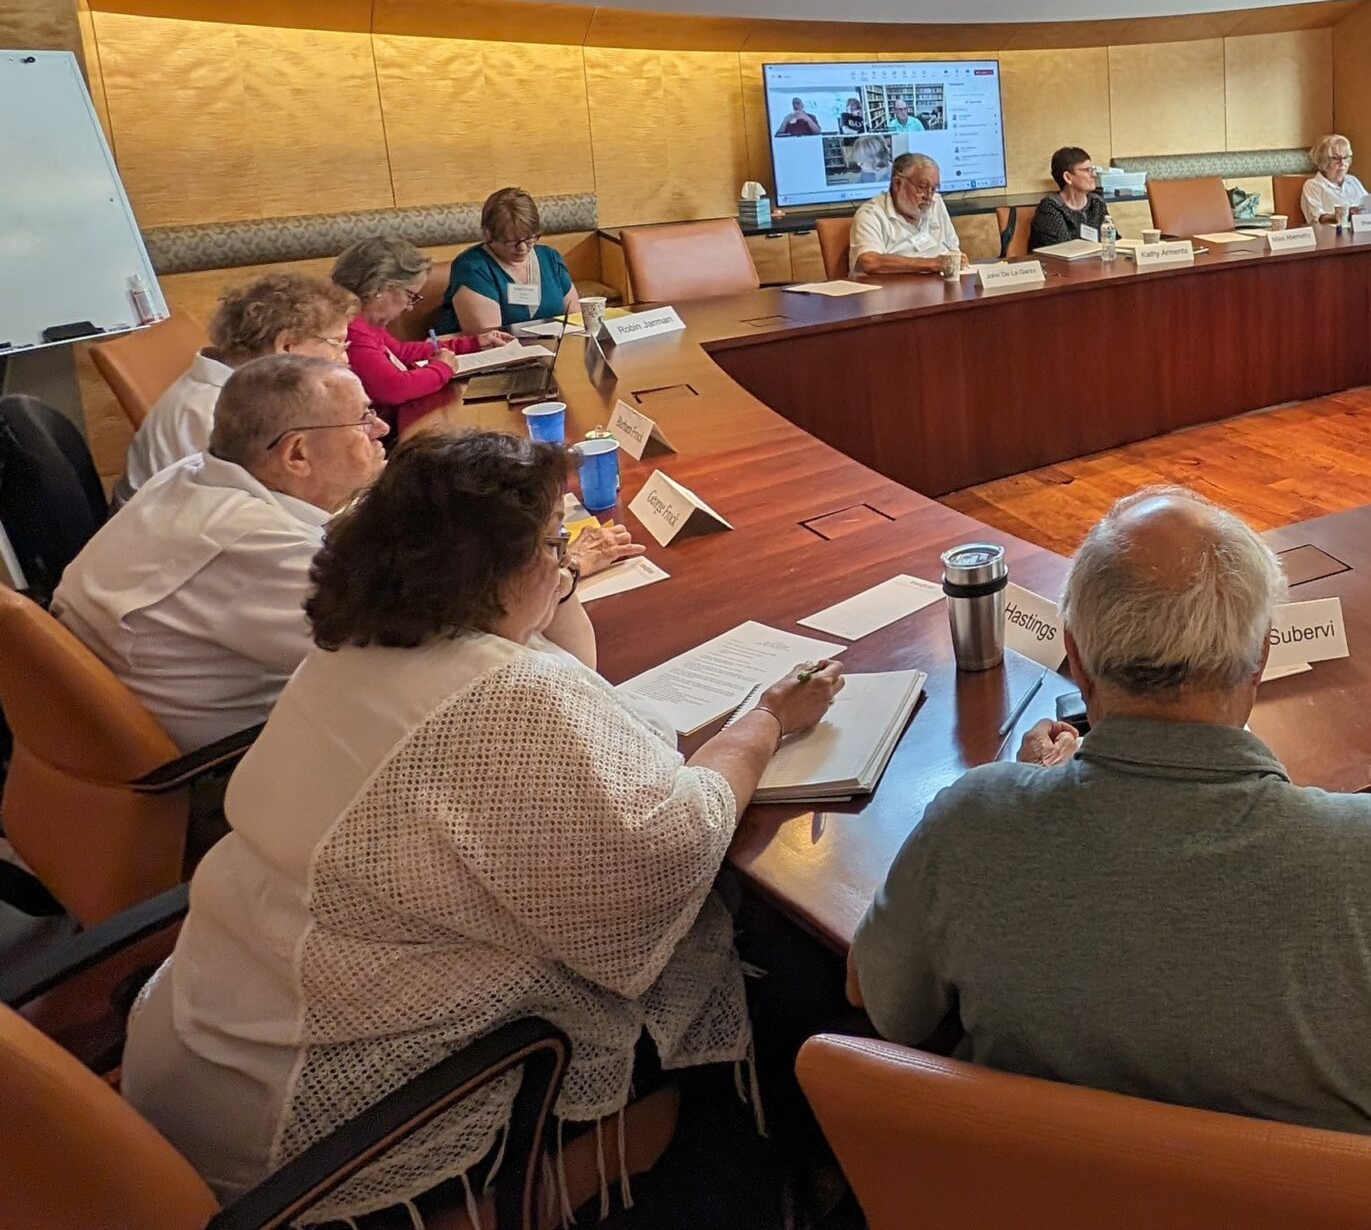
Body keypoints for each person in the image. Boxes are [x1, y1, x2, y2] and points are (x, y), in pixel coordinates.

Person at [122, 429, 845, 1221]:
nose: (564, 565)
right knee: (772, 961)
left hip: (207, 1046)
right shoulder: (506, 699)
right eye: (551, 546)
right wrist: (766, 722)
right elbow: (670, 851)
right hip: (318, 1132)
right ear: (492, 574)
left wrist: (553, 586)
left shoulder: (358, 645)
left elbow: (570, 688)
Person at [853, 488, 1371, 1202]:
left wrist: (1022, 799)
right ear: (1261, 658)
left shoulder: (972, 822)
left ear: (1076, 659)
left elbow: (876, 996)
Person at [56, 356, 385, 749]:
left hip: (111, 723)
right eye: (363, 419)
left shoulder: (189, 473)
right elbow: (381, 656)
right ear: (296, 454)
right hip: (221, 759)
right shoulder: (263, 547)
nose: (380, 429)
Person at [118, 272, 354, 502]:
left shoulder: (256, 391)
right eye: (336, 343)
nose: (344, 359)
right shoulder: (212, 411)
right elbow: (258, 502)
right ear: (286, 345)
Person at [332, 236, 494, 431]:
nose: (409, 307)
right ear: (380, 288)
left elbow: (401, 352)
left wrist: (473, 343)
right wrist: (441, 369)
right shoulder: (352, 329)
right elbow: (393, 388)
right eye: (410, 296)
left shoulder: (366, 322)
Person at [437, 186, 578, 334]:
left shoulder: (550, 259)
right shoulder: (472, 268)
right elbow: (490, 338)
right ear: (488, 235)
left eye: (529, 238)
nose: (522, 248)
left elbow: (575, 319)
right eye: (512, 242)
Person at [850, 153, 964, 274]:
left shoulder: (937, 203)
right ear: (897, 184)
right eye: (922, 187)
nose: (928, 196)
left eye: (933, 189)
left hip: (938, 282)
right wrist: (931, 264)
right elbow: (868, 261)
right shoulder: (871, 214)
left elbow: (953, 249)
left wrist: (959, 260)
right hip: (893, 284)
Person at [1028, 146, 1110, 250]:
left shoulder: (1097, 203)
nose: (1094, 175)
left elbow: (1113, 241)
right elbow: (1064, 250)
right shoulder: (1051, 208)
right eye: (1087, 170)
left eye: (1093, 170)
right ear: (1068, 177)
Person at [1300, 133, 1366, 223]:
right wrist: (1345, 215)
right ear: (1323, 160)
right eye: (1336, 158)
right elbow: (1316, 217)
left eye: (1345, 157)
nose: (1342, 163)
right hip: (1331, 230)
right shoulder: (1313, 185)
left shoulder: (1352, 180)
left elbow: (1367, 204)